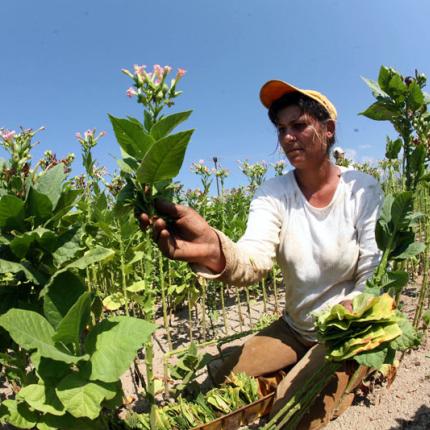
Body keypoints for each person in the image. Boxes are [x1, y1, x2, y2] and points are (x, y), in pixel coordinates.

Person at [138, 80, 382, 429]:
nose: (287, 137)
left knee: (291, 411)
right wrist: (216, 251)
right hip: (295, 326)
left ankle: (339, 374)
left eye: (299, 125)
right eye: (281, 129)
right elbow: (254, 258)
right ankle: (282, 373)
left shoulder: (361, 189)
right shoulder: (274, 193)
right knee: (224, 378)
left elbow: (373, 268)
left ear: (328, 130)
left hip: (343, 332)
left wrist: (351, 314)